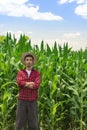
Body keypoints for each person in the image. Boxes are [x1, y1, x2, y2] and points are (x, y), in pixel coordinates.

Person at [15, 52, 41, 130]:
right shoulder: (20, 73)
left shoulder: (37, 73)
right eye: (27, 60)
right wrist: (30, 83)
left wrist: (25, 84)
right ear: (25, 61)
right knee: (20, 121)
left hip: (32, 100)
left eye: (30, 60)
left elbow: (36, 85)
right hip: (22, 99)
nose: (29, 61)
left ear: (32, 62)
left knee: (33, 122)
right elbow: (19, 83)